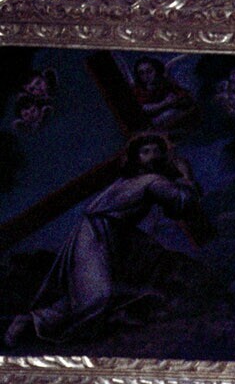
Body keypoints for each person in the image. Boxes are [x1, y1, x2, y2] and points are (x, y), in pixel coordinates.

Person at [4, 132, 205, 349]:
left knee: (87, 292)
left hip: (109, 234)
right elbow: (182, 202)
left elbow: (176, 208)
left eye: (157, 151)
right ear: (136, 157)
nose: (152, 155)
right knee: (98, 296)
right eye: (146, 151)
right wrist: (186, 177)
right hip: (98, 234)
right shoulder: (150, 181)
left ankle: (34, 321)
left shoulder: (138, 180)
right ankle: (38, 327)